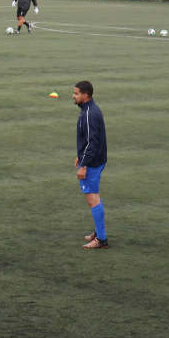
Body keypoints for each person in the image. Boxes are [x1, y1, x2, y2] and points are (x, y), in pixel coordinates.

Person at [73, 80, 108, 249]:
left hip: (92, 162)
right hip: (94, 159)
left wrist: (84, 164)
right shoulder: (90, 110)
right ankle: (98, 232)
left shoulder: (88, 113)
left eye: (76, 93)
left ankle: (101, 239)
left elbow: (92, 142)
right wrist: (80, 156)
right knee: (94, 197)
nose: (73, 96)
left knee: (92, 198)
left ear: (85, 95)